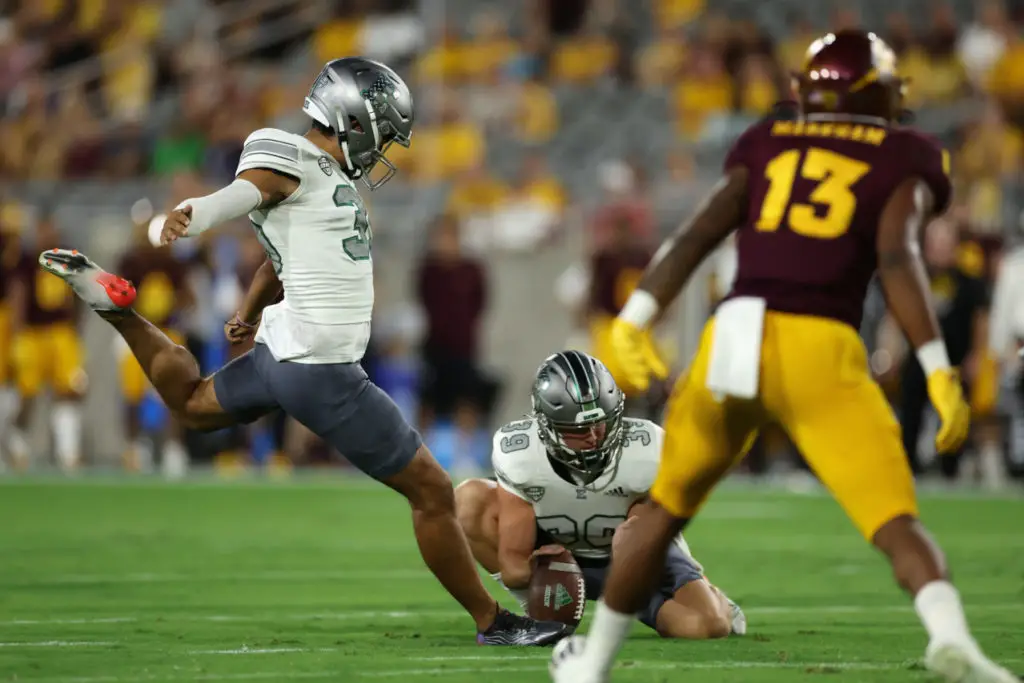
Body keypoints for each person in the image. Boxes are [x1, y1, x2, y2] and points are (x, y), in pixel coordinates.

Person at [37, 56, 568, 648]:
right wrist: (198, 213)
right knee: (434, 494)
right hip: (322, 370)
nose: (384, 145)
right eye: (382, 130)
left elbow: (279, 258)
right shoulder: (289, 155)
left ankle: (114, 309)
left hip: (281, 357)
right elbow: (251, 188)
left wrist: (249, 311)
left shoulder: (327, 179)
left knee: (191, 402)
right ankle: (494, 622)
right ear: (352, 118)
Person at [550, 31, 1016, 683]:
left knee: (662, 512)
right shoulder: (903, 153)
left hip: (733, 337)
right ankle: (951, 636)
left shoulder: (768, 142)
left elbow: (697, 234)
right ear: (879, 92)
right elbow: (899, 258)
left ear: (806, 92)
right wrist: (937, 365)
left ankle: (592, 662)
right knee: (894, 520)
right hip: (819, 343)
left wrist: (635, 318)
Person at [455, 350, 745, 640]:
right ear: (546, 424)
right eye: (579, 429)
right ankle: (542, 611)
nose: (594, 436)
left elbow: (646, 531)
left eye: (600, 423)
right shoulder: (521, 454)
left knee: (709, 626)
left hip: (634, 557)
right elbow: (513, 566)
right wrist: (543, 571)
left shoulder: (645, 449)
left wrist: (629, 575)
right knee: (468, 500)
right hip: (555, 553)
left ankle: (706, 595)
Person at [9, 213, 85, 472]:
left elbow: (76, 294)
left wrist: (75, 329)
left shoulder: (68, 257)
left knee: (69, 391)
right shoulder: (27, 260)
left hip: (61, 332)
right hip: (33, 333)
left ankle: (68, 452)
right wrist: (17, 333)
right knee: (28, 393)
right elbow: (18, 295)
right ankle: (18, 442)